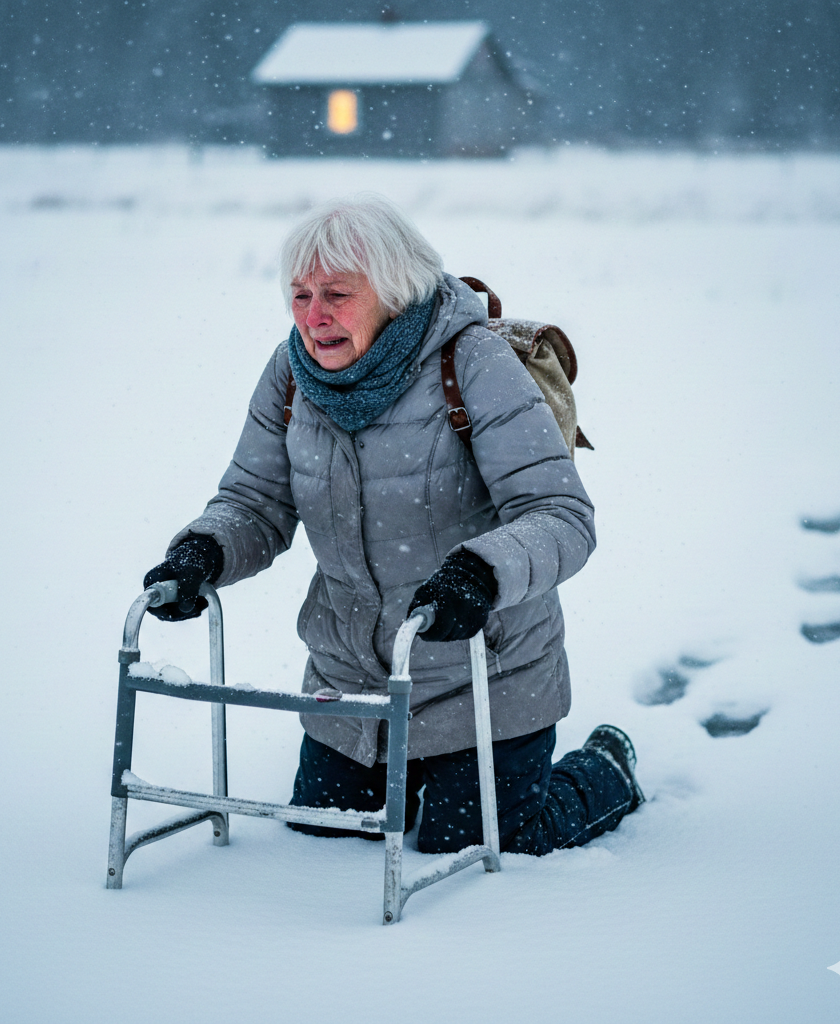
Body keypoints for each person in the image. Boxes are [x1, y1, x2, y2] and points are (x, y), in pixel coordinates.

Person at [143, 193, 643, 856]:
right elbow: (255, 502)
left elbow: (560, 515)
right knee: (323, 837)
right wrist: (202, 553)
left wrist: (480, 573)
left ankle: (605, 767)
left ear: (394, 290)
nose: (313, 318)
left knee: (480, 845)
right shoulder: (291, 374)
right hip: (349, 687)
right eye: (300, 294)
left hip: (483, 676)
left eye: (336, 294)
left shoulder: (474, 364)